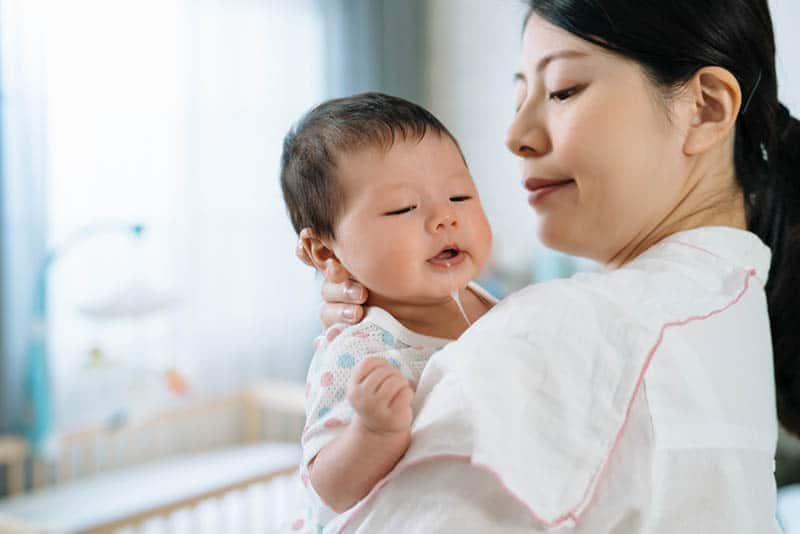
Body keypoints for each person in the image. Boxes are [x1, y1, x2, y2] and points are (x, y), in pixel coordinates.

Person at [302, 1, 800, 532]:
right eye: (519, 96)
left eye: (562, 89)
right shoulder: (732, 302)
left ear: (704, 108)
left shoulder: (561, 335)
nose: (515, 133)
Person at [280, 92, 495, 532]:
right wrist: (373, 432)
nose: (444, 219)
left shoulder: (488, 302)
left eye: (459, 196)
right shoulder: (360, 351)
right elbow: (329, 489)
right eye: (404, 208)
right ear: (324, 251)